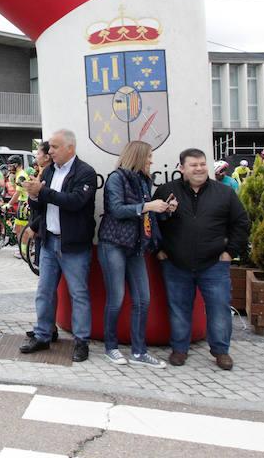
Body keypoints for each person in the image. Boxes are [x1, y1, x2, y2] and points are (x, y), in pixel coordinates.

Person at [152, 148, 249, 371]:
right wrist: (158, 250)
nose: (199, 169)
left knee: (219, 309)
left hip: (214, 264)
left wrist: (229, 252)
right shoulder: (166, 191)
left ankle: (221, 351)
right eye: (194, 165)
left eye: (203, 164)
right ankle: (179, 349)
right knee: (179, 309)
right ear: (182, 168)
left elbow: (241, 223)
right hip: (176, 264)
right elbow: (152, 223)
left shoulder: (224, 193)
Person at [20, 129, 97, 362]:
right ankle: (43, 336)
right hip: (49, 240)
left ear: (69, 148)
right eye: (49, 147)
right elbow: (42, 205)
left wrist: (42, 191)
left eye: (54, 147)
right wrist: (34, 196)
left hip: (73, 244)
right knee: (44, 292)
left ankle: (82, 341)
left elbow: (74, 202)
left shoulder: (86, 173)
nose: (49, 151)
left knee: (79, 294)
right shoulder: (50, 170)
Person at [96, 141, 170, 368]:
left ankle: (139, 352)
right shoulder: (116, 178)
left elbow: (146, 215)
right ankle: (111, 348)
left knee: (143, 299)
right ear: (138, 156)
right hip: (113, 244)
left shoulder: (143, 180)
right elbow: (116, 210)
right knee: (116, 299)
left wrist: (164, 210)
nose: (151, 161)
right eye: (149, 156)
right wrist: (147, 207)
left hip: (136, 246)